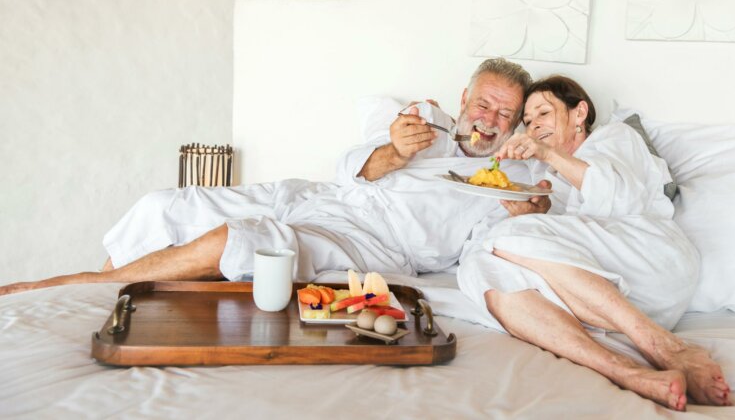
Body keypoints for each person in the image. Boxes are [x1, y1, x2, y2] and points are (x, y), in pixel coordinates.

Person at [0, 58, 548, 295]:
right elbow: (350, 168)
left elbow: (483, 248)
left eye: (505, 113)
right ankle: (101, 299)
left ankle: (78, 289)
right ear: (464, 98)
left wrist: (526, 214)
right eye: (483, 104)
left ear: (517, 121)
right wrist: (392, 150)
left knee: (238, 240)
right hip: (316, 196)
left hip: (368, 242)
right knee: (164, 205)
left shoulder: (512, 178)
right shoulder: (426, 125)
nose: (489, 120)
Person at [457, 75, 731, 411]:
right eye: (527, 121)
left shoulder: (615, 137)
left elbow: (620, 198)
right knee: (477, 268)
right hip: (601, 298)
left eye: (543, 113)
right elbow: (555, 251)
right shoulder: (549, 179)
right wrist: (534, 214)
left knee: (502, 237)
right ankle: (622, 369)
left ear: (580, 113)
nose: (534, 126)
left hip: (653, 261)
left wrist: (547, 154)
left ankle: (665, 346)